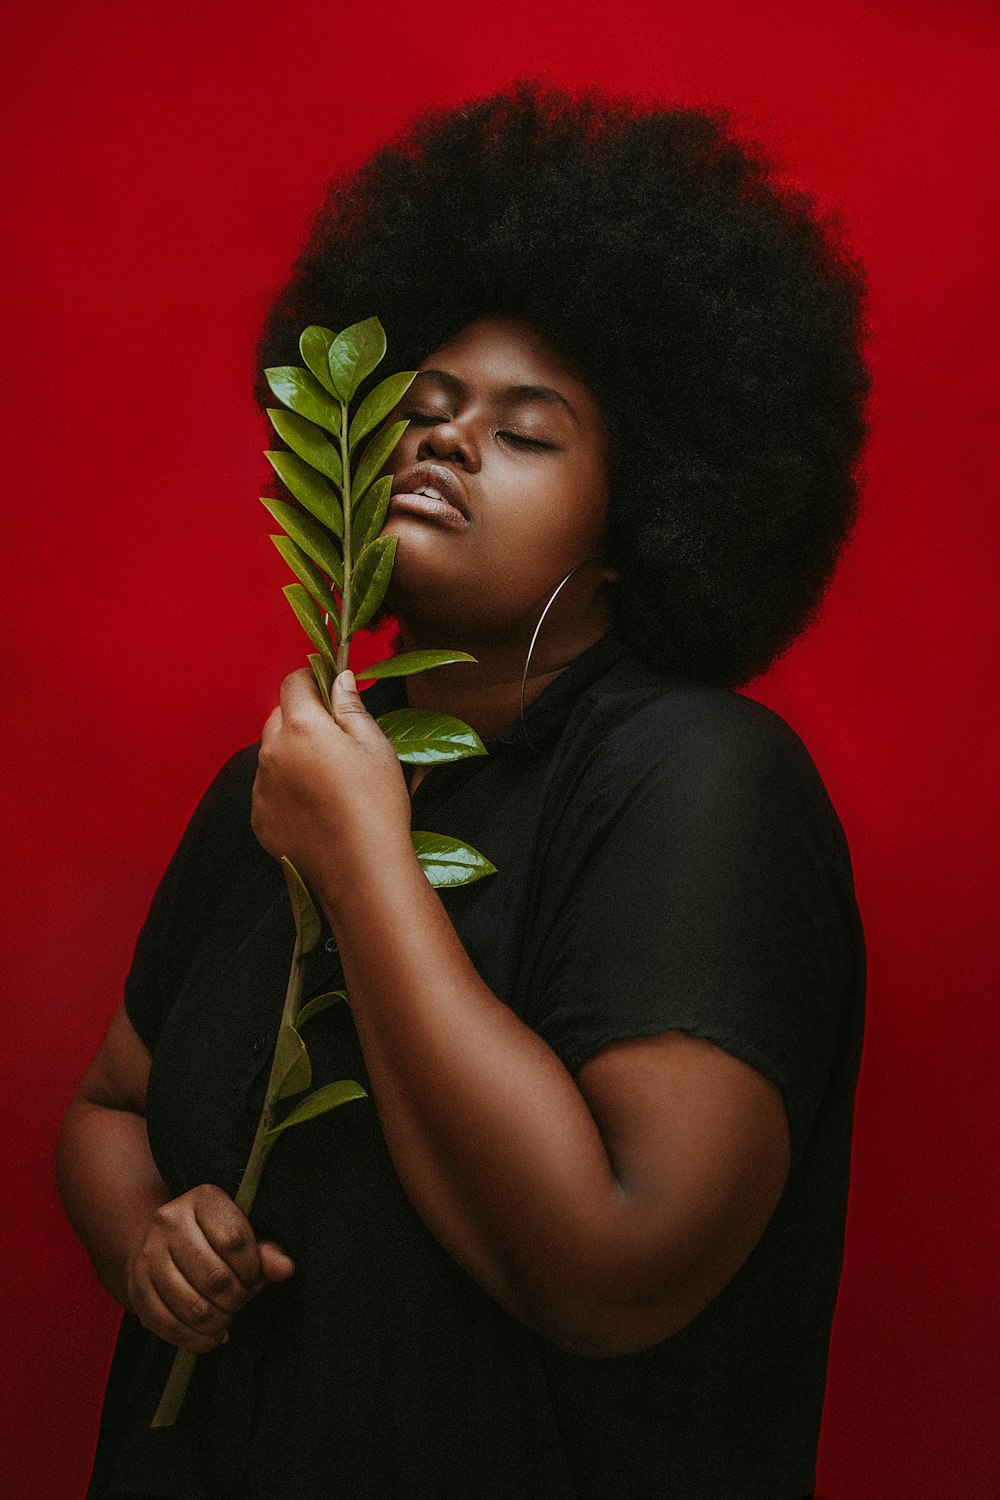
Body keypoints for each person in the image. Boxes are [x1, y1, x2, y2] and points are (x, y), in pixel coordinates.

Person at [58, 84, 869, 1499]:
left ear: (642, 519)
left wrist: (364, 860)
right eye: (422, 411)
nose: (442, 439)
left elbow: (611, 1275)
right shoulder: (276, 778)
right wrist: (143, 1237)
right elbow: (110, 1108)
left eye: (526, 429)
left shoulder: (700, 784)